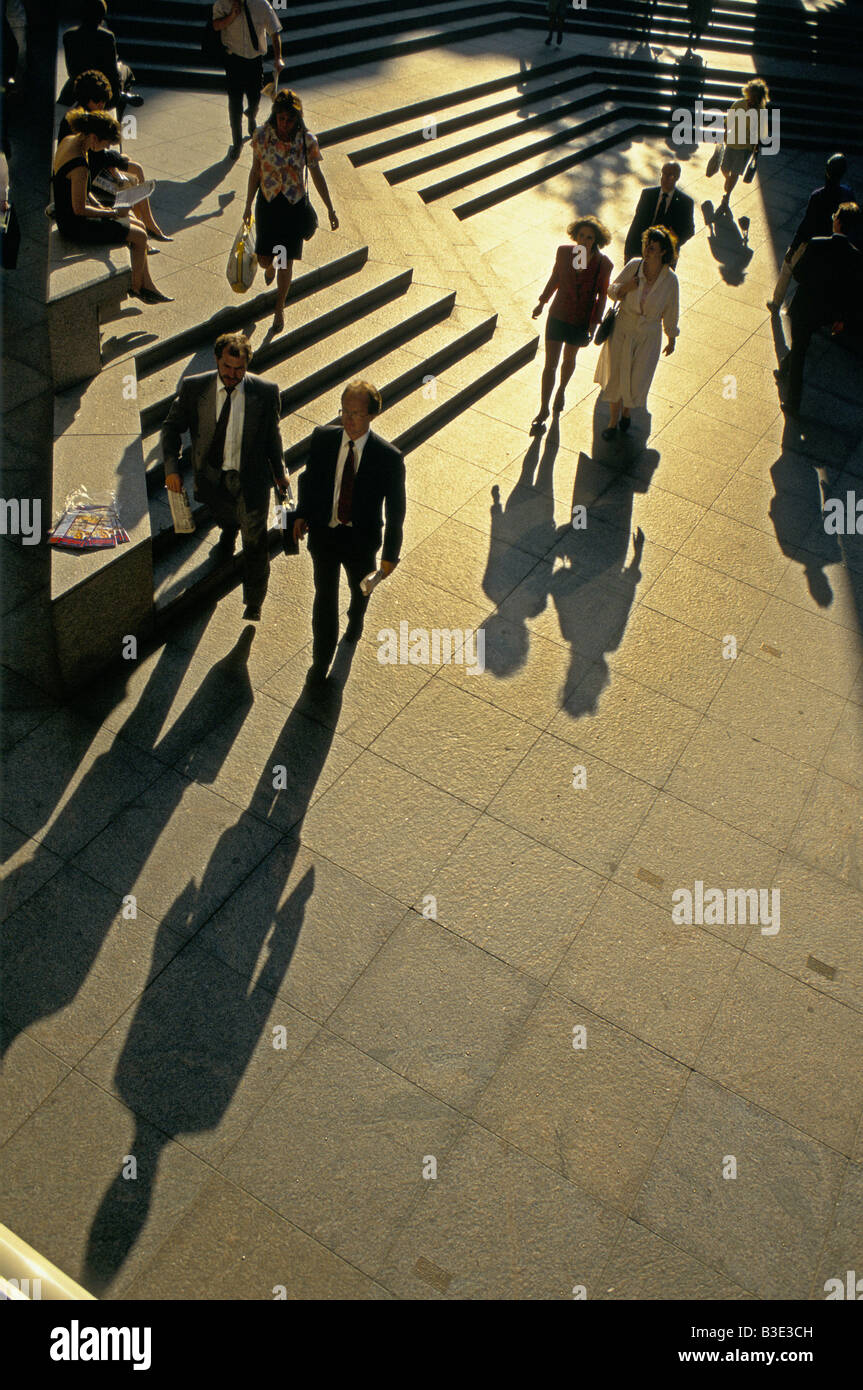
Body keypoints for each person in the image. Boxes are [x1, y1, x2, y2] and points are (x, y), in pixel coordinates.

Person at [162, 332, 288, 621]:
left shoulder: (266, 392)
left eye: (239, 370)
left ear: (247, 365)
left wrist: (280, 472)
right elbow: (171, 428)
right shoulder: (195, 388)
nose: (232, 375)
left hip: (252, 479)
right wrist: (171, 468)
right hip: (212, 476)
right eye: (227, 368)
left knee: (255, 542)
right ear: (217, 360)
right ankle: (228, 529)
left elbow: (273, 435)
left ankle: (254, 601)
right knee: (224, 517)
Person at [292, 380, 406, 685]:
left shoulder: (389, 458)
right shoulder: (323, 438)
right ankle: (321, 660)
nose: (348, 420)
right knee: (324, 598)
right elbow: (309, 480)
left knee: (360, 590)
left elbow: (396, 512)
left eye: (356, 413)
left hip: (362, 541)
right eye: (344, 411)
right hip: (325, 536)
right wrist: (302, 513)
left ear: (371, 415)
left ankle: (356, 619)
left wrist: (390, 557)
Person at [51, 110, 171, 304]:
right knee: (140, 236)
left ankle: (146, 284)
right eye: (106, 143)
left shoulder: (70, 141)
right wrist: (111, 213)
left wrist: (104, 208)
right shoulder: (80, 165)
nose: (106, 147)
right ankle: (137, 287)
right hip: (75, 225)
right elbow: (79, 208)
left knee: (136, 223)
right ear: (94, 137)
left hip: (69, 215)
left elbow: (81, 191)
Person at [243, 88, 338, 333]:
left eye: (290, 119)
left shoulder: (307, 141)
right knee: (265, 259)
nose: (284, 123)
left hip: (293, 207)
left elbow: (316, 174)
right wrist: (246, 205)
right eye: (280, 118)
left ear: (298, 118)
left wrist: (330, 208)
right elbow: (255, 171)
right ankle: (270, 265)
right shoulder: (262, 136)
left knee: (286, 261)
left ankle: (279, 307)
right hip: (268, 203)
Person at [58, 70, 170, 243]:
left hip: (97, 162)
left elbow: (99, 153)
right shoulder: (80, 124)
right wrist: (116, 172)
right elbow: (93, 158)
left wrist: (116, 167)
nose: (102, 105)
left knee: (135, 171)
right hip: (91, 173)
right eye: (99, 101)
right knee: (131, 181)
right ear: (89, 100)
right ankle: (145, 226)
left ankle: (147, 223)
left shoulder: (83, 116)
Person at [774, 203, 863, 417]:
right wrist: (842, 317)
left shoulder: (816, 244)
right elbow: (852, 292)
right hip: (827, 312)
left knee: (800, 349)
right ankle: (784, 367)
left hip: (806, 306)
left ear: (838, 222)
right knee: (801, 342)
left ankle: (793, 401)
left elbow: (798, 273)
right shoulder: (856, 257)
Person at [595, 226, 680, 440]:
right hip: (623, 328)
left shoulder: (670, 280)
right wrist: (626, 288)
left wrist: (671, 337)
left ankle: (627, 412)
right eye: (646, 246)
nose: (647, 251)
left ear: (663, 252)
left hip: (648, 336)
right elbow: (612, 290)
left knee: (636, 378)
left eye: (652, 248)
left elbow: (672, 310)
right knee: (615, 374)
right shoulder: (634, 266)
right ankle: (613, 422)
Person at [530, 214, 612, 431]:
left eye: (590, 238)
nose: (584, 241)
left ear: (596, 241)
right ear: (575, 236)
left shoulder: (603, 264)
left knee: (569, 360)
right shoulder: (564, 252)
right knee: (550, 364)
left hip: (580, 319)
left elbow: (602, 296)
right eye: (582, 236)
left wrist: (595, 325)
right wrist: (542, 302)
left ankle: (561, 390)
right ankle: (543, 408)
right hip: (558, 314)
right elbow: (555, 278)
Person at [767, 153, 856, 312]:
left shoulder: (818, 196)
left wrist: (793, 247)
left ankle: (776, 303)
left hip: (812, 242)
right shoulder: (848, 194)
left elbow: (806, 225)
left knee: (788, 268)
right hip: (834, 244)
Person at [212, 0, 283, 159]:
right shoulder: (223, 4)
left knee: (255, 97)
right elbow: (216, 25)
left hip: (254, 60)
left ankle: (251, 116)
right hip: (233, 59)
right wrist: (232, 16)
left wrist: (278, 58)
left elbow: (274, 31)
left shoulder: (261, 4)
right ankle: (236, 143)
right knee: (235, 103)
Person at [62, 0, 142, 124]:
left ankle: (121, 95)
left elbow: (71, 69)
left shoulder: (68, 35)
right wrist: (115, 92)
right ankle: (121, 99)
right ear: (101, 16)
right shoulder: (107, 36)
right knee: (125, 70)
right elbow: (111, 72)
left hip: (78, 85)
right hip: (101, 87)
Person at [716, 77, 769, 212]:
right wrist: (725, 134)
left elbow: (761, 132)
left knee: (735, 173)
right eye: (752, 96)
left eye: (756, 98)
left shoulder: (761, 111)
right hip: (732, 142)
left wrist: (756, 148)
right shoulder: (738, 104)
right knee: (724, 169)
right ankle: (728, 183)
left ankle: (727, 195)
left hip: (746, 147)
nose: (753, 100)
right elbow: (727, 121)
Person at [624, 162, 695, 262]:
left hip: (664, 256)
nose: (665, 178)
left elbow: (689, 230)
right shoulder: (647, 194)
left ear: (677, 178)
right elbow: (636, 224)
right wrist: (628, 252)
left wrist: (674, 240)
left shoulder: (685, 203)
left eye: (670, 175)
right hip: (640, 250)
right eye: (663, 174)